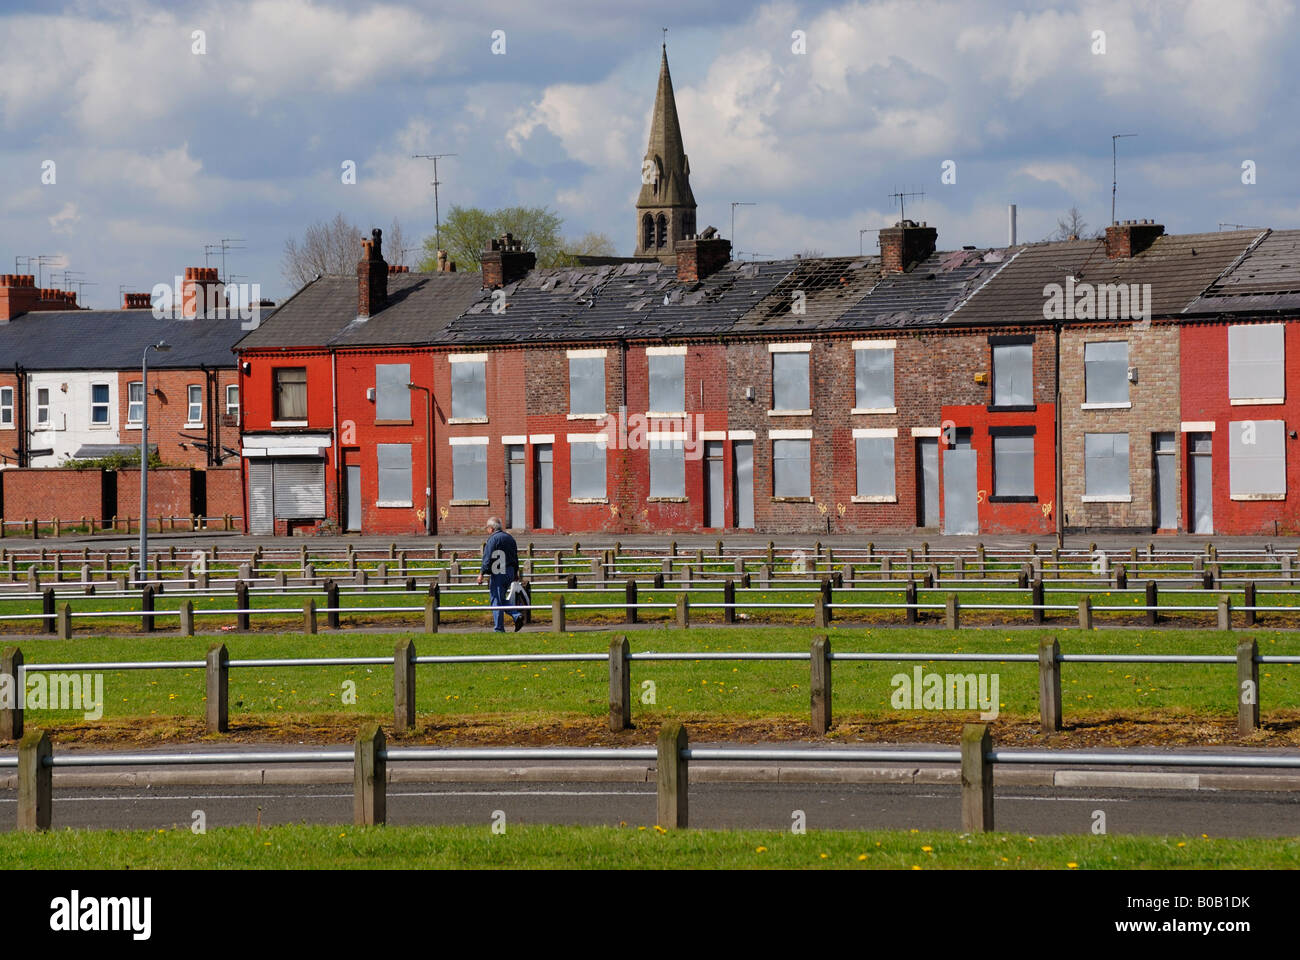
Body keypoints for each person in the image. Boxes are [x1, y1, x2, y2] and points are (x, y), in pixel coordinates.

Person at [477, 517, 523, 632]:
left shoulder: (492, 539)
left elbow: (487, 557)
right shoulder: (510, 538)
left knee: (496, 600)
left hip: (498, 572)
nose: (487, 530)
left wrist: (481, 573)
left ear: (491, 528)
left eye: (487, 528)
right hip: (510, 571)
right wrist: (516, 572)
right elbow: (515, 557)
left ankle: (499, 628)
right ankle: (516, 615)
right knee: (499, 599)